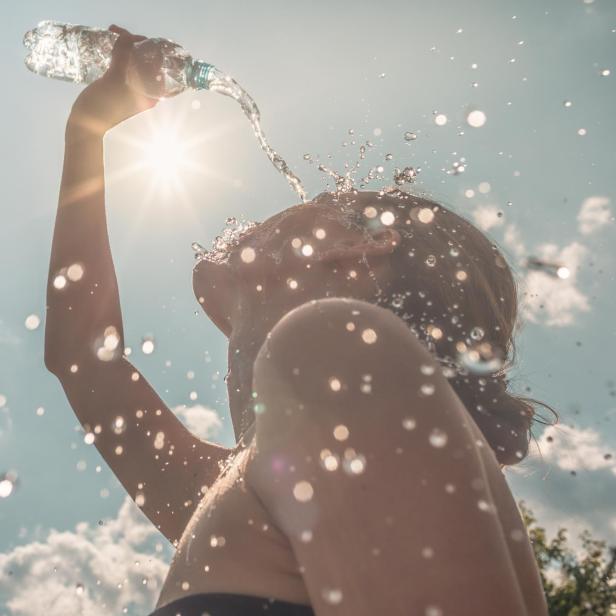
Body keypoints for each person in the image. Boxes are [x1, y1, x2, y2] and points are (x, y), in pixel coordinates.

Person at [44, 25, 556, 616]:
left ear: (360, 247)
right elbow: (81, 355)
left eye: (325, 201)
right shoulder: (239, 488)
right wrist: (88, 131)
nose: (289, 204)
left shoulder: (334, 343)